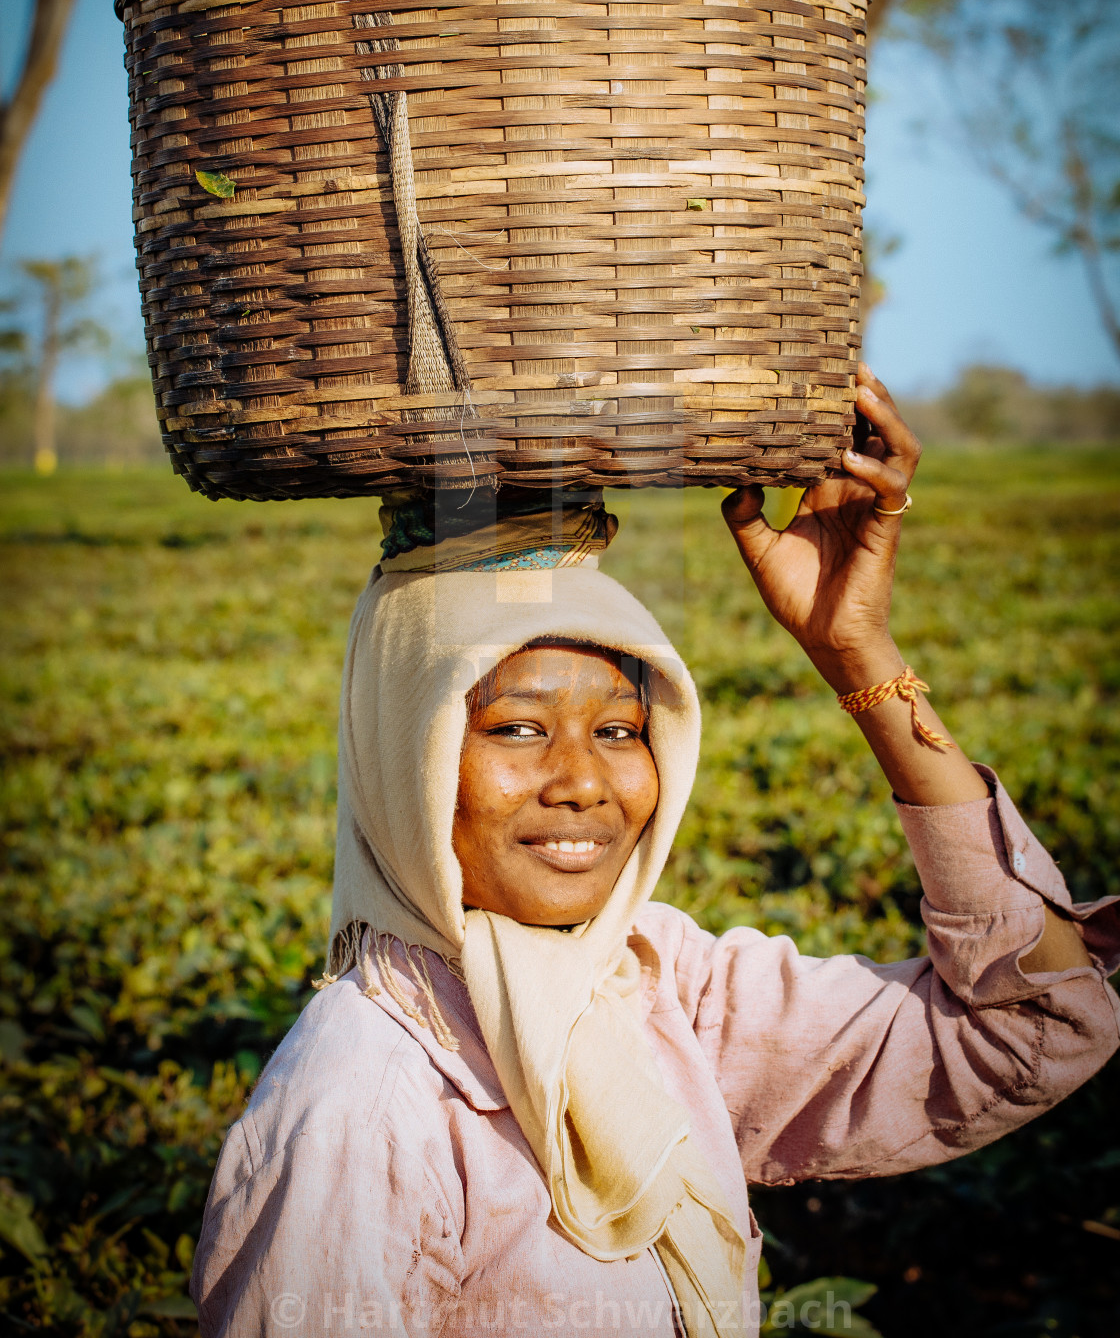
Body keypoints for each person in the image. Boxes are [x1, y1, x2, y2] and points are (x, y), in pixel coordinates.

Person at [190, 367, 1120, 1338]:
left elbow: (1033, 1026)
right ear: (401, 753)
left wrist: (858, 652)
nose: (582, 782)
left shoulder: (655, 984)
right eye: (515, 729)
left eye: (621, 730)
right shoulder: (364, 1102)